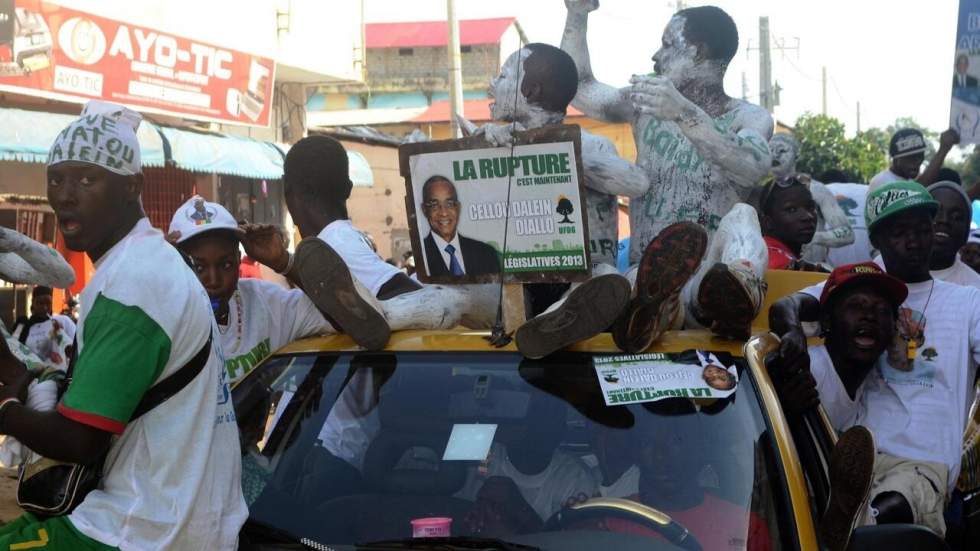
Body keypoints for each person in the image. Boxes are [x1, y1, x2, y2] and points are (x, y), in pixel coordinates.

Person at [0, 100, 247, 549]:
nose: (66, 194)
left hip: (144, 529)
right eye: (57, 179)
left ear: (133, 186)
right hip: (181, 519)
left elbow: (79, 441)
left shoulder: (131, 286)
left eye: (87, 179)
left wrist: (6, 409)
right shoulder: (144, 263)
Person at [770, 181, 980, 537]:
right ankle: (847, 520)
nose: (913, 242)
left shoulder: (968, 303)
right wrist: (792, 332)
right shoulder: (859, 285)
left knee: (898, 502)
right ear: (878, 239)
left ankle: (852, 526)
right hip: (847, 455)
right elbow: (788, 305)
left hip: (921, 463)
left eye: (921, 230)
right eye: (899, 233)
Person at [563, 1, 774, 343]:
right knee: (619, 280)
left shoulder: (749, 117)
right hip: (649, 282)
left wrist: (683, 114)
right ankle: (607, 315)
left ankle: (737, 295)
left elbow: (752, 167)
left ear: (697, 52)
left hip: (708, 279)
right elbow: (582, 88)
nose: (655, 57)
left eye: (666, 45)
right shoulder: (644, 103)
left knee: (743, 216)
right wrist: (577, 15)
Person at [458, 42, 648, 358]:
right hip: (514, 289)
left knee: (606, 280)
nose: (493, 84)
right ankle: (382, 312)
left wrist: (542, 148)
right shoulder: (494, 143)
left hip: (584, 282)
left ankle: (551, 324)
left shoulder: (592, 145)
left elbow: (636, 182)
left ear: (531, 90)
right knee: (454, 298)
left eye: (504, 76)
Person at [168, 196, 335, 384]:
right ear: (174, 264)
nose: (213, 281)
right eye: (198, 268)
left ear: (239, 259)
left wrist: (284, 263)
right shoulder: (158, 319)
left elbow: (342, 317)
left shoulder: (266, 303)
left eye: (226, 265)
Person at [768, 133, 855, 266]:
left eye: (782, 150)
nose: (775, 155)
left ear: (796, 155)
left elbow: (847, 233)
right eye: (770, 150)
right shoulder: (757, 190)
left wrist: (815, 237)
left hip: (811, 274)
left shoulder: (816, 189)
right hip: (771, 271)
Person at [419, 175, 501, 277]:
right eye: (434, 205)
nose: (444, 213)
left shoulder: (486, 253)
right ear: (424, 210)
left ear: (458, 208)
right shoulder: (420, 255)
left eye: (449, 204)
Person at [756, 175, 820, 271]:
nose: (808, 217)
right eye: (792, 210)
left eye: (810, 207)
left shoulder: (763, 252)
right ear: (768, 222)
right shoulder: (779, 264)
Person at [924, 181, 980, 289]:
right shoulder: (884, 268)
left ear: (966, 232)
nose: (944, 220)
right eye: (935, 213)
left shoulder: (976, 289)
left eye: (956, 216)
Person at [868, 128, 961, 192]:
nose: (917, 162)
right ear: (896, 159)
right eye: (910, 157)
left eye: (920, 156)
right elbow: (917, 191)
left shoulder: (907, 182)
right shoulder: (882, 181)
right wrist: (943, 149)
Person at [11, 285, 75, 370]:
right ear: (33, 302)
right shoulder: (24, 325)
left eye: (48, 303)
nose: (45, 307)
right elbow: (14, 348)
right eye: (40, 303)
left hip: (56, 375)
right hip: (29, 375)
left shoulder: (59, 322)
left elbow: (74, 346)